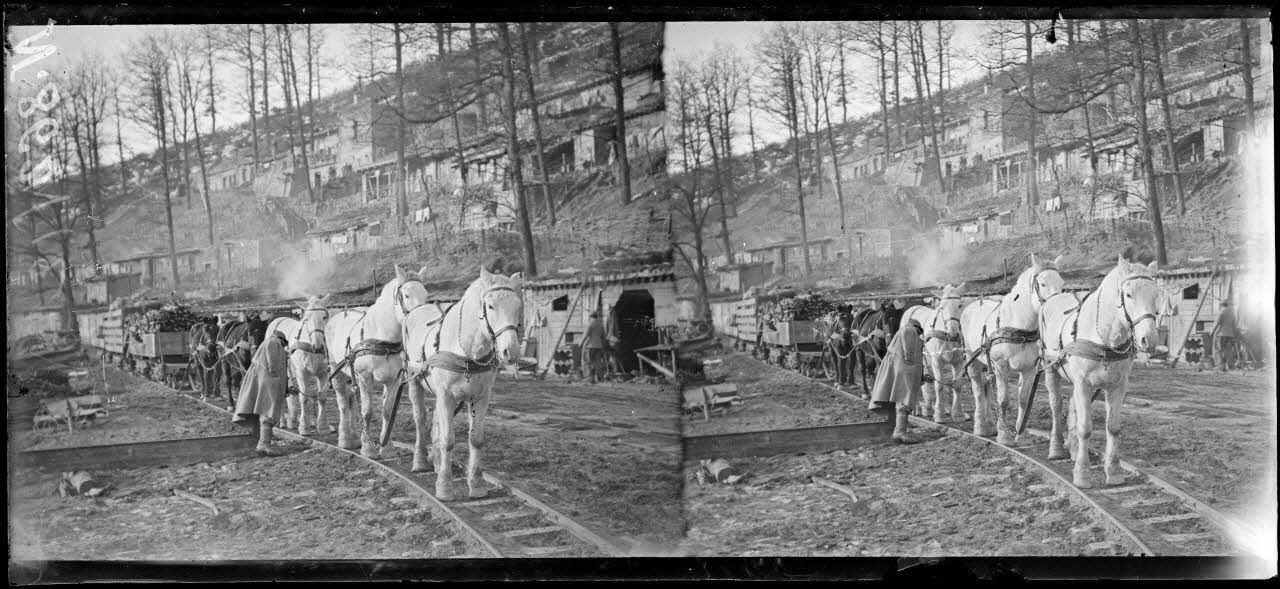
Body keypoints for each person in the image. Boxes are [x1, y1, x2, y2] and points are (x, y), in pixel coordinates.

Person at [868, 318, 928, 444]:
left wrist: (922, 376)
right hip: (906, 368)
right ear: (917, 328)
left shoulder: (904, 332)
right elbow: (909, 354)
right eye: (919, 332)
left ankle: (898, 429)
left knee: (900, 397)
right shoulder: (909, 329)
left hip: (901, 367)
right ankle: (900, 431)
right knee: (905, 398)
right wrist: (910, 364)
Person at [232, 329, 291, 456]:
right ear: (282, 340)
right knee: (268, 409)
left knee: (263, 409)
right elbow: (273, 366)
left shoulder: (269, 342)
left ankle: (262, 442)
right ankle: (264, 444)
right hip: (269, 380)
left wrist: (286, 388)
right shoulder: (273, 342)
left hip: (263, 379)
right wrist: (277, 381)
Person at [1212, 300, 1238, 372]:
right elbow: (1234, 326)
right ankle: (1229, 366)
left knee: (1219, 350)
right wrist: (1235, 335)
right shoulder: (1232, 314)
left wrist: (1211, 331)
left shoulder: (1221, 312)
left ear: (1221, 305)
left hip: (1222, 334)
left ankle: (1220, 366)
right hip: (1230, 335)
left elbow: (1217, 323)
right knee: (1228, 351)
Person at [583, 311, 607, 384]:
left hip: (591, 346)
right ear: (596, 316)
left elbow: (586, 335)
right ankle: (600, 378)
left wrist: (580, 343)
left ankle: (590, 379)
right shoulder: (601, 325)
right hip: (599, 346)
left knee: (589, 362)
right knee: (598, 362)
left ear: (591, 317)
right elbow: (603, 337)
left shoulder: (590, 324)